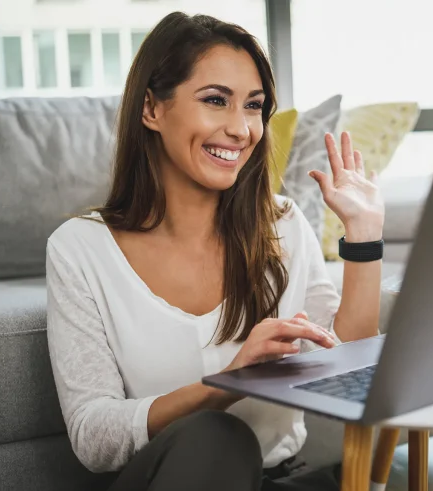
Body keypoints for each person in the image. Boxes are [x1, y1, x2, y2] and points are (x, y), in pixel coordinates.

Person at [44, 11, 385, 491]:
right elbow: (93, 438)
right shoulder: (79, 249)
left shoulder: (281, 224)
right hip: (169, 477)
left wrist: (365, 236)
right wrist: (226, 384)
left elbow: (348, 363)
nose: (241, 129)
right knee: (215, 435)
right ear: (151, 109)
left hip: (275, 479)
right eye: (215, 100)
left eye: (253, 106)